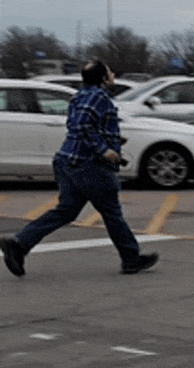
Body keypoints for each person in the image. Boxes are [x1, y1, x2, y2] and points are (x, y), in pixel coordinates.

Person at [0, 60, 159, 277]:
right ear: (104, 78)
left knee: (66, 210)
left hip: (67, 161)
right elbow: (82, 126)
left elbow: (75, 125)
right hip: (89, 165)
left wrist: (112, 139)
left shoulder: (80, 95)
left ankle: (19, 245)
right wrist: (103, 149)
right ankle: (131, 258)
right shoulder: (99, 97)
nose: (113, 75)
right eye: (110, 73)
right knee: (112, 212)